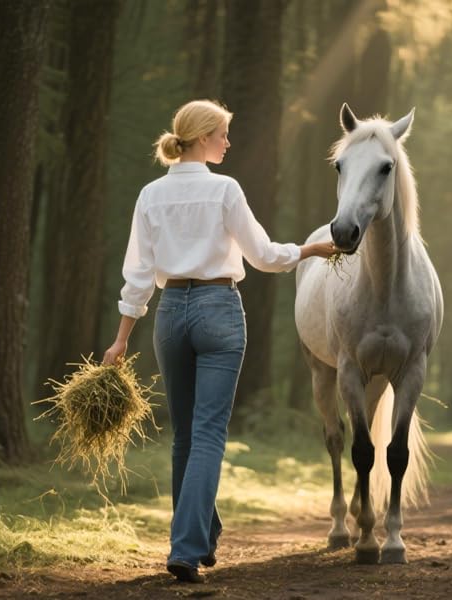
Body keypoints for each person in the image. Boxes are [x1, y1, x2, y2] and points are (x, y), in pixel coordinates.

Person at [102, 99, 335, 584]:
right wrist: (312, 248)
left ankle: (201, 538)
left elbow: (139, 275)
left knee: (186, 435)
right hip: (219, 312)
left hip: (170, 317)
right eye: (224, 134)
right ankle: (186, 549)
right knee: (207, 435)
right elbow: (266, 257)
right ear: (205, 136)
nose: (228, 143)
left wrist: (121, 339)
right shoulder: (224, 189)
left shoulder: (150, 195)